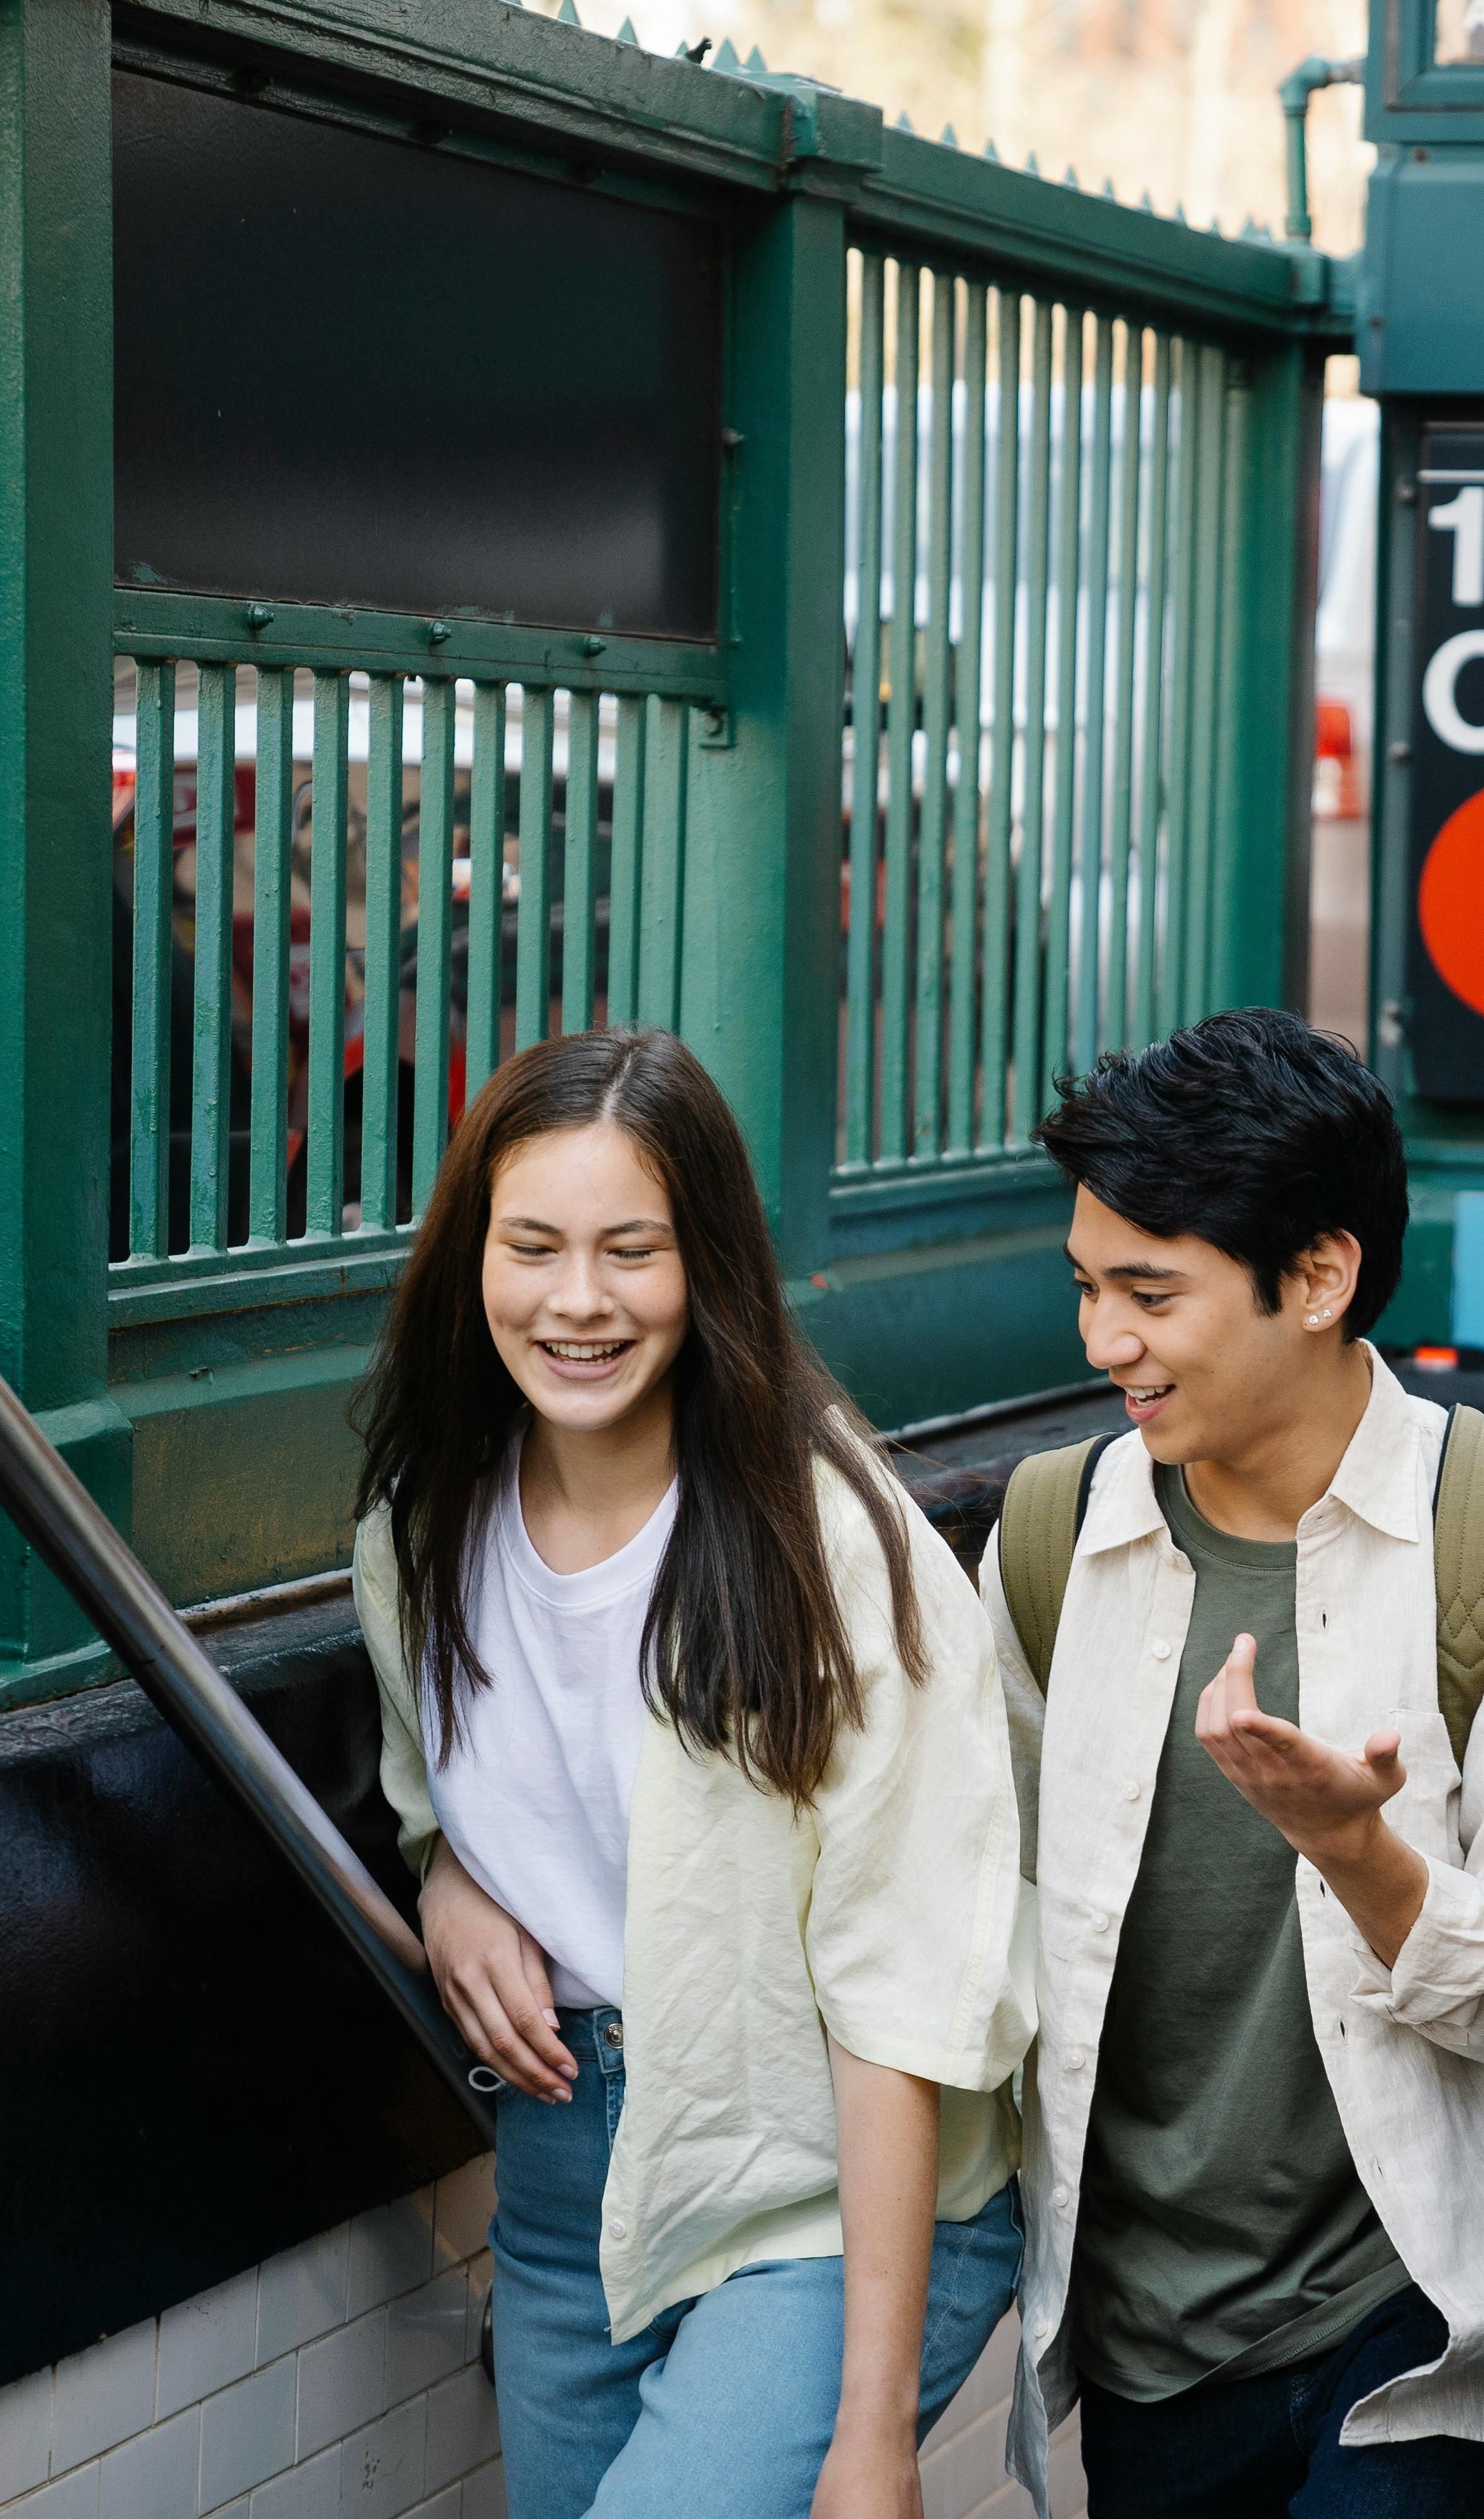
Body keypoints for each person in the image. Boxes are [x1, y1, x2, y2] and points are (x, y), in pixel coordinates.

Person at [348, 1026, 1028, 2519]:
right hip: (560, 2178)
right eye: (531, 1246)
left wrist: (876, 2429)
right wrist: (451, 1873)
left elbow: (904, 1993)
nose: (576, 1300)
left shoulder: (829, 1545)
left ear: (706, 1264)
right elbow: (445, 1785)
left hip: (815, 2191)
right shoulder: (420, 1535)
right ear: (472, 1259)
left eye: (631, 1250)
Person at [981, 1006, 1484, 2518]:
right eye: (1086, 1286)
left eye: (1149, 1291)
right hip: (1148, 2344)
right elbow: (976, 1921)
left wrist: (1362, 1854)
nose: (1101, 1339)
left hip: (1429, 2325)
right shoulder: (1055, 1537)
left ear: (1318, 1275)